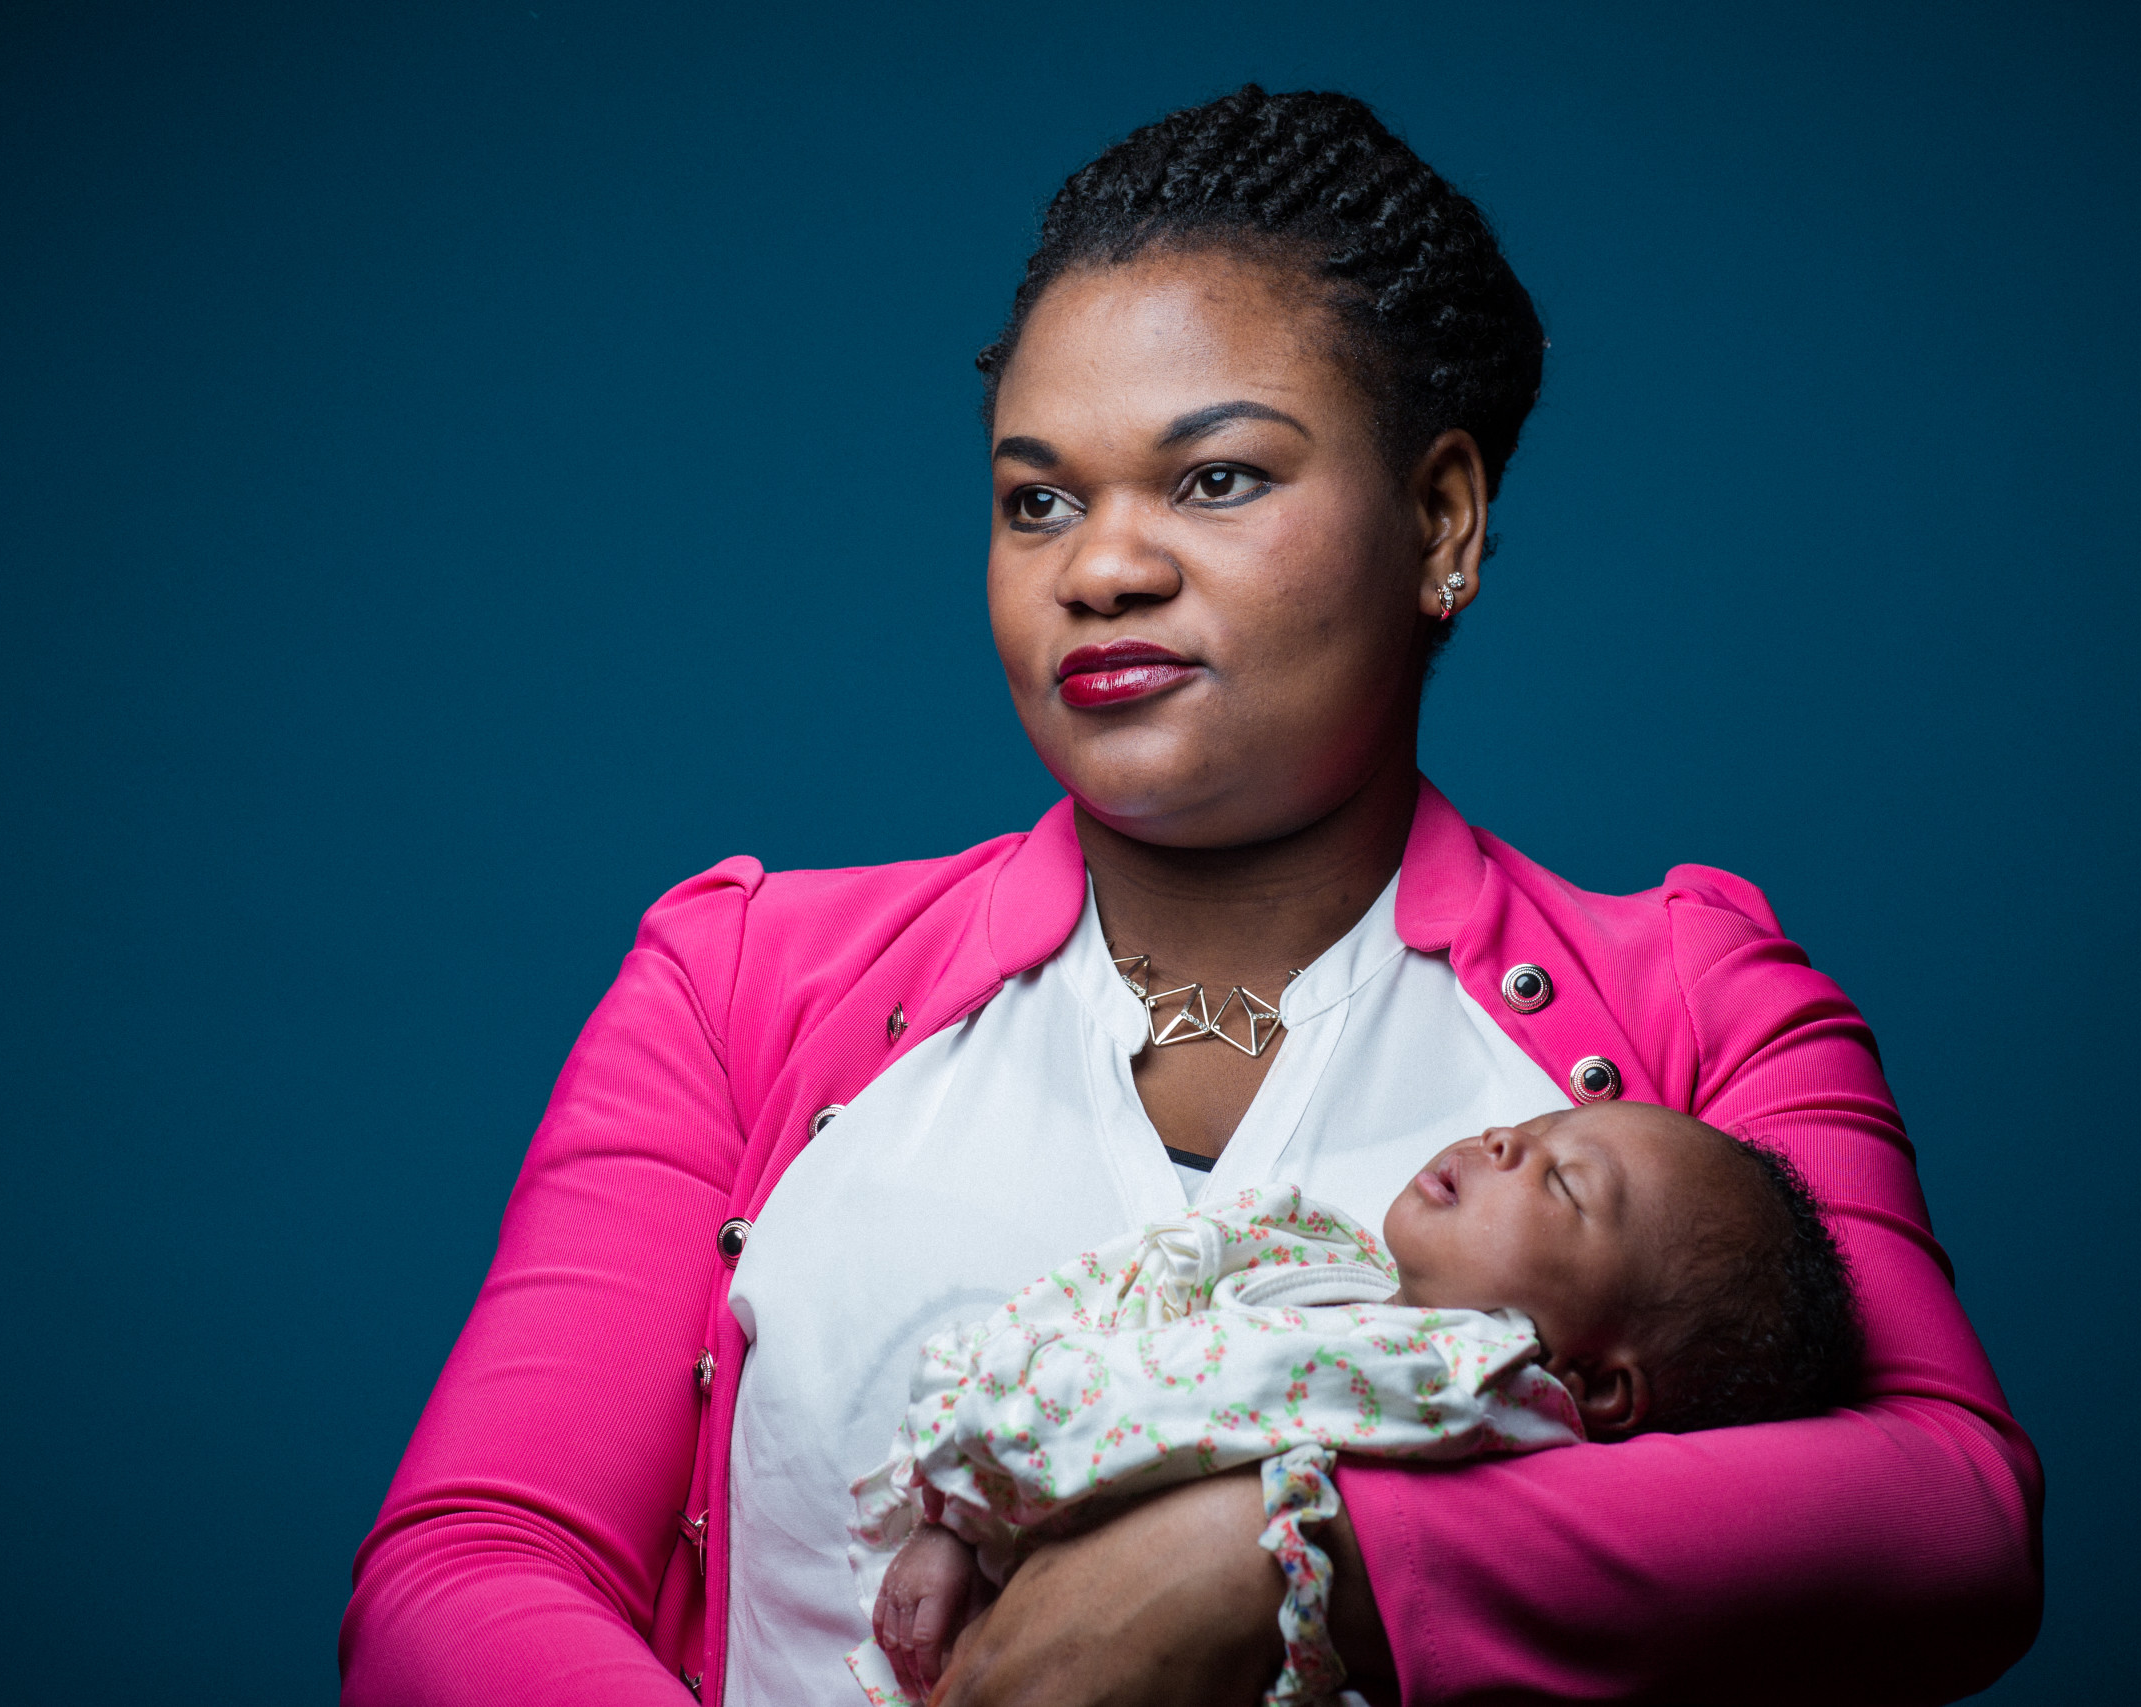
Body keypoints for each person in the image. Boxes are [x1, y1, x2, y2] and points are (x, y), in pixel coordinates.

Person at [341, 85, 2042, 1706]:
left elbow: (1950, 1513)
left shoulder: (1693, 1002)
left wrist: (1298, 1558)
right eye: (1039, 499)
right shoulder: (738, 984)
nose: (1100, 565)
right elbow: (465, 1571)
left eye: (1217, 477)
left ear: (1441, 519)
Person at [853, 1103, 1866, 1705]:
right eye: (1536, 1125)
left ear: (1594, 1384)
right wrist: (956, 1520)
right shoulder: (1309, 1257)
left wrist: (966, 1464)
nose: (1508, 1139)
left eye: (1564, 1184)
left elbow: (1138, 1403)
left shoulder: (1465, 1384)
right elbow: (1085, 1316)